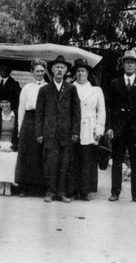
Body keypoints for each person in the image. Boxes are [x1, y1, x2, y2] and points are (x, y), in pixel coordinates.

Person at [106, 50, 136, 203]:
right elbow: (110, 107)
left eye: (132, 62)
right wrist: (110, 127)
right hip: (118, 130)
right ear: (123, 65)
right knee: (117, 162)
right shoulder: (115, 83)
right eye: (127, 62)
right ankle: (115, 192)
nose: (130, 65)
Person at [36, 55, 81, 203]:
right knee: (50, 163)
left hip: (66, 133)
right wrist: (39, 133)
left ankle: (61, 192)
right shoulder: (44, 90)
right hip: (49, 133)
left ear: (66, 70)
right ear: (52, 70)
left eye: (62, 67)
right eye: (57, 67)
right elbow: (39, 114)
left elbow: (76, 112)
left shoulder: (71, 89)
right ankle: (50, 192)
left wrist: (75, 132)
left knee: (64, 164)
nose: (60, 70)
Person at [70, 58, 106, 201]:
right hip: (74, 127)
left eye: (83, 71)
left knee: (87, 158)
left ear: (88, 73)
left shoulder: (96, 90)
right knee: (74, 158)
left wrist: (99, 129)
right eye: (78, 71)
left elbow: (101, 111)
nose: (80, 74)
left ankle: (85, 190)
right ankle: (73, 189)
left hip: (90, 127)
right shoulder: (70, 88)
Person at [15, 58, 48, 197]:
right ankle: (24, 187)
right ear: (32, 72)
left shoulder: (48, 87)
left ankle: (40, 187)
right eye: (37, 71)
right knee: (27, 154)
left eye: (42, 71)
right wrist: (20, 128)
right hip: (29, 120)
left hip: (43, 120)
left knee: (41, 154)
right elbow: (21, 109)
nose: (40, 73)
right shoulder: (27, 88)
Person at [0, 92, 19, 196]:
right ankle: (1, 184)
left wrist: (13, 147)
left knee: (11, 158)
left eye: (7, 102)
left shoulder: (16, 117)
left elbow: (19, 136)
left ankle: (8, 185)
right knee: (0, 157)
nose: (4, 105)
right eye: (2, 102)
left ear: (11, 103)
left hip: (11, 145)